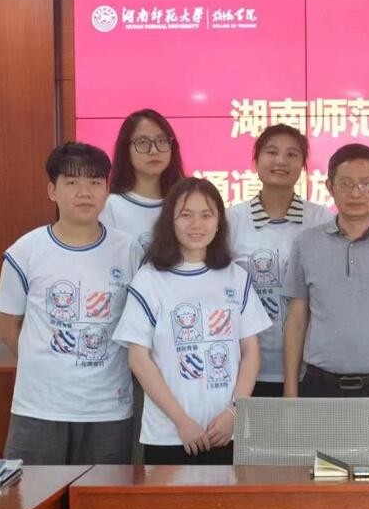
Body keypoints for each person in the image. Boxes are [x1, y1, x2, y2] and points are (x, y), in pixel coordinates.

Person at [0, 142, 144, 464]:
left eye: (94, 182)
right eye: (72, 182)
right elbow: (6, 324)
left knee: (102, 495)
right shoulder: (26, 251)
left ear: (106, 190)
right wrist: (44, 367)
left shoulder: (129, 250)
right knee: (33, 493)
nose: (84, 192)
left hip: (108, 409)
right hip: (39, 408)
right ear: (52, 191)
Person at [283, 143, 369, 464]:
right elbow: (296, 321)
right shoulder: (306, 244)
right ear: (329, 187)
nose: (355, 192)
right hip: (321, 389)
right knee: (324, 488)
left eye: (365, 184)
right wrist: (291, 394)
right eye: (345, 183)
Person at [113, 177, 270, 464]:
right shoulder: (150, 279)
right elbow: (138, 358)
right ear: (170, 221)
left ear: (219, 222)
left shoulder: (236, 276)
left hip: (227, 432)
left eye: (206, 215)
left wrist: (234, 413)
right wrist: (181, 421)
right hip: (169, 433)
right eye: (186, 215)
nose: (196, 224)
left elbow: (251, 353)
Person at [228, 124, 330, 398]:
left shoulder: (320, 219)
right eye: (272, 152)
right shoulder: (232, 220)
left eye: (292, 154)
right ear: (256, 160)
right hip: (245, 368)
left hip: (308, 369)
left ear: (303, 165)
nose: (281, 161)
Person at [102, 108, 186, 250]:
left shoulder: (185, 201)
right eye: (142, 142)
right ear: (125, 150)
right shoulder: (111, 207)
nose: (154, 150)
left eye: (162, 141)